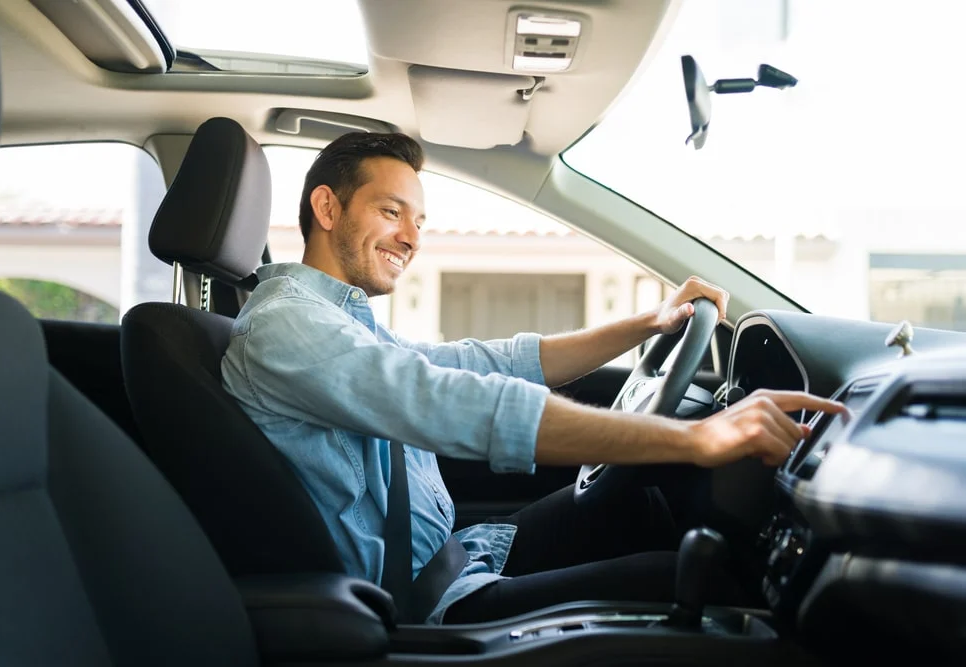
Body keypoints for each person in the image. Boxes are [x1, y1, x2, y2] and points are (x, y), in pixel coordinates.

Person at [220, 132, 845, 625]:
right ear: (326, 206)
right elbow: (449, 402)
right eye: (392, 212)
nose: (411, 238)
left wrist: (649, 323)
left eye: (420, 222)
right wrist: (696, 440)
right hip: (422, 604)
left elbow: (479, 364)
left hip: (455, 556)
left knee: (634, 503)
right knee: (698, 582)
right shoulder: (287, 328)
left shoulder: (338, 320)